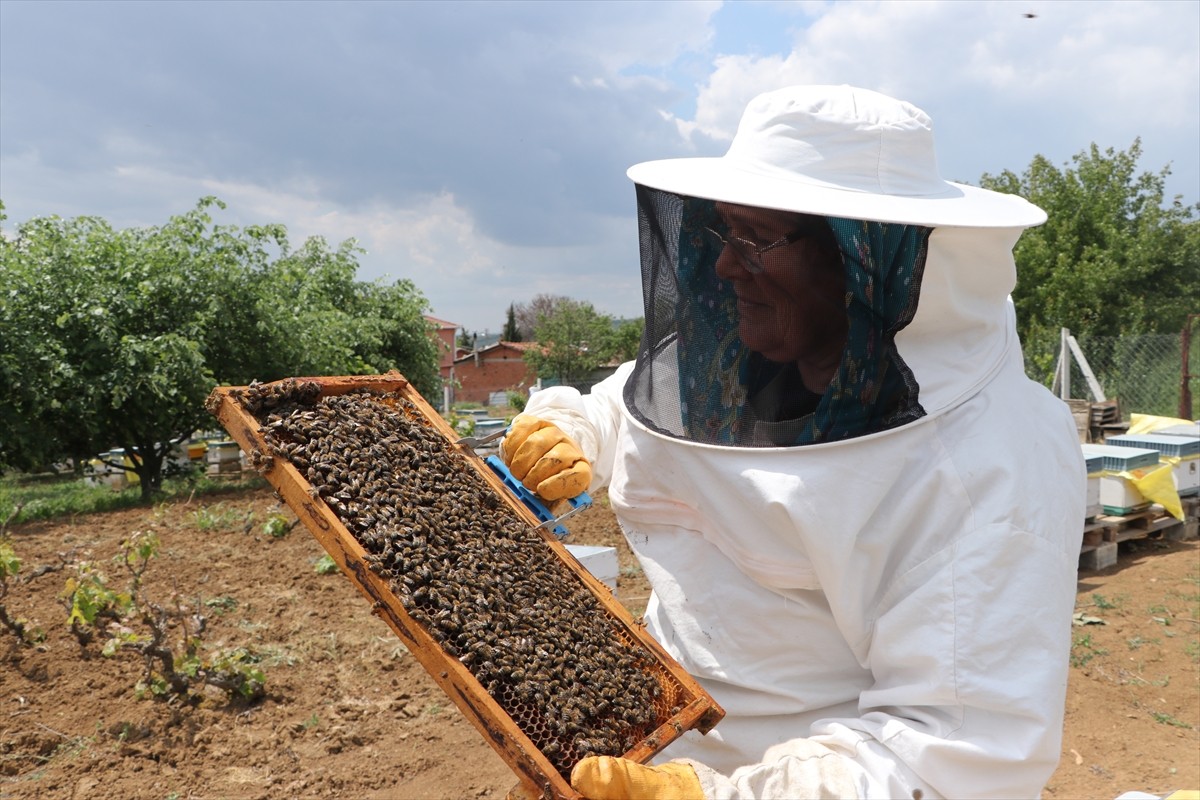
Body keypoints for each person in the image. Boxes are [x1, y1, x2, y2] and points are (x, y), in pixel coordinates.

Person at [501, 85, 1085, 799]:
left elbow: (955, 754)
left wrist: (718, 796)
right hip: (651, 736)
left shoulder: (992, 461)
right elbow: (625, 403)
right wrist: (568, 424)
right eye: (723, 234)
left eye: (756, 239)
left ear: (861, 258)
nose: (722, 266)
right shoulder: (735, 358)